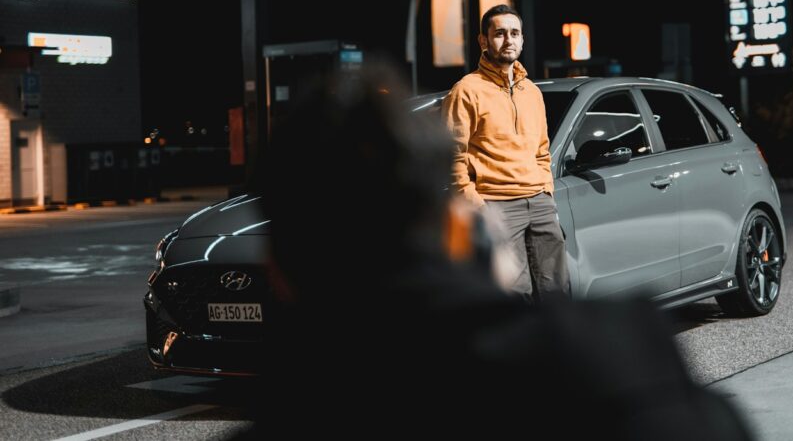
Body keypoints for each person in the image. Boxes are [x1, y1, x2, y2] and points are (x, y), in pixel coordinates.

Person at [241, 60, 752, 440]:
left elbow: (543, 148)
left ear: (277, 271)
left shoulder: (284, 422)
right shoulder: (618, 357)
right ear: (458, 225)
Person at [442, 4, 569, 301]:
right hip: (496, 205)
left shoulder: (532, 93)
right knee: (513, 293)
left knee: (556, 289)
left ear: (522, 40)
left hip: (539, 202)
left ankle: (552, 347)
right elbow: (451, 156)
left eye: (514, 33)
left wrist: (546, 193)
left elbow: (541, 151)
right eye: (499, 33)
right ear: (484, 41)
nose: (508, 40)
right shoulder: (467, 90)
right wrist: (478, 206)